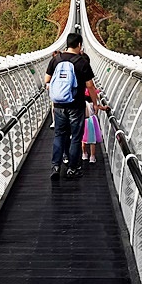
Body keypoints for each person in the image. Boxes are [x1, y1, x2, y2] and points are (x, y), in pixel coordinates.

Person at [45, 32, 101, 179]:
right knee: (76, 137)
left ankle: (55, 166)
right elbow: (90, 86)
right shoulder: (82, 62)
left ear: (67, 44)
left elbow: (47, 79)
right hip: (76, 105)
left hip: (58, 105)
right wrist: (95, 103)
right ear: (79, 45)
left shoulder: (56, 60)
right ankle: (72, 168)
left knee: (59, 134)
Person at [82, 86, 103, 169]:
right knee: (92, 140)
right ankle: (92, 156)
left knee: (83, 139)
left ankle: (84, 154)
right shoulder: (92, 104)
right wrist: (104, 108)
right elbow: (99, 107)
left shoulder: (83, 104)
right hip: (91, 121)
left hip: (83, 121)